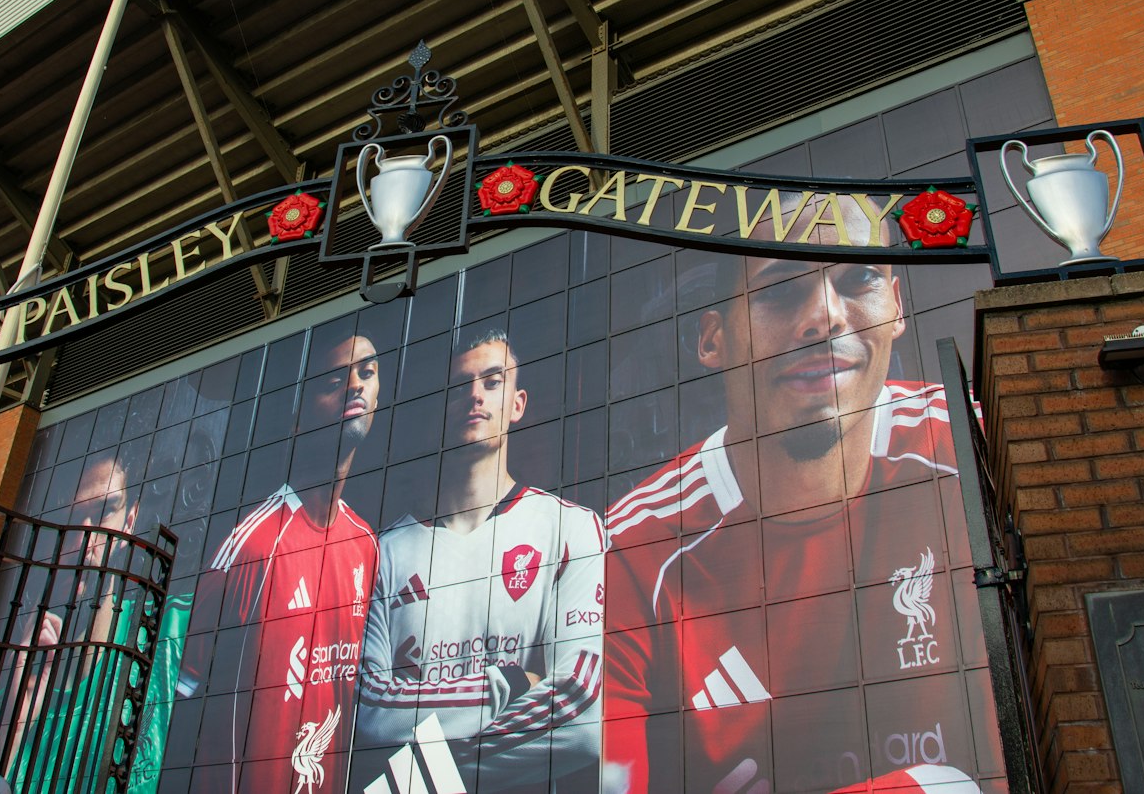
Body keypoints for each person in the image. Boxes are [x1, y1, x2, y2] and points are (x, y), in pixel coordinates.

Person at [603, 197, 987, 794]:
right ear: (714, 341)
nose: (825, 317)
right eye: (780, 289)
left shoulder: (975, 445)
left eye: (857, 279)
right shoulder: (631, 552)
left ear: (896, 309)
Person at [356, 330, 605, 792]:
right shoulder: (383, 552)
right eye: (461, 385)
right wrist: (510, 682)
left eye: (492, 381)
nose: (475, 395)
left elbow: (581, 715)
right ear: (443, 408)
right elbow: (368, 714)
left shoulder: (570, 529)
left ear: (517, 404)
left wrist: (414, 779)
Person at [178, 328, 384, 794]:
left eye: (367, 372)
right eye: (335, 380)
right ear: (297, 417)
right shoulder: (251, 546)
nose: (356, 385)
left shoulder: (366, 544)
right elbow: (176, 698)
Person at [0, 454, 187, 794]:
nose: (85, 531)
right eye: (72, 517)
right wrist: (19, 711)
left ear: (129, 522)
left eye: (104, 510)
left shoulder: (172, 633)